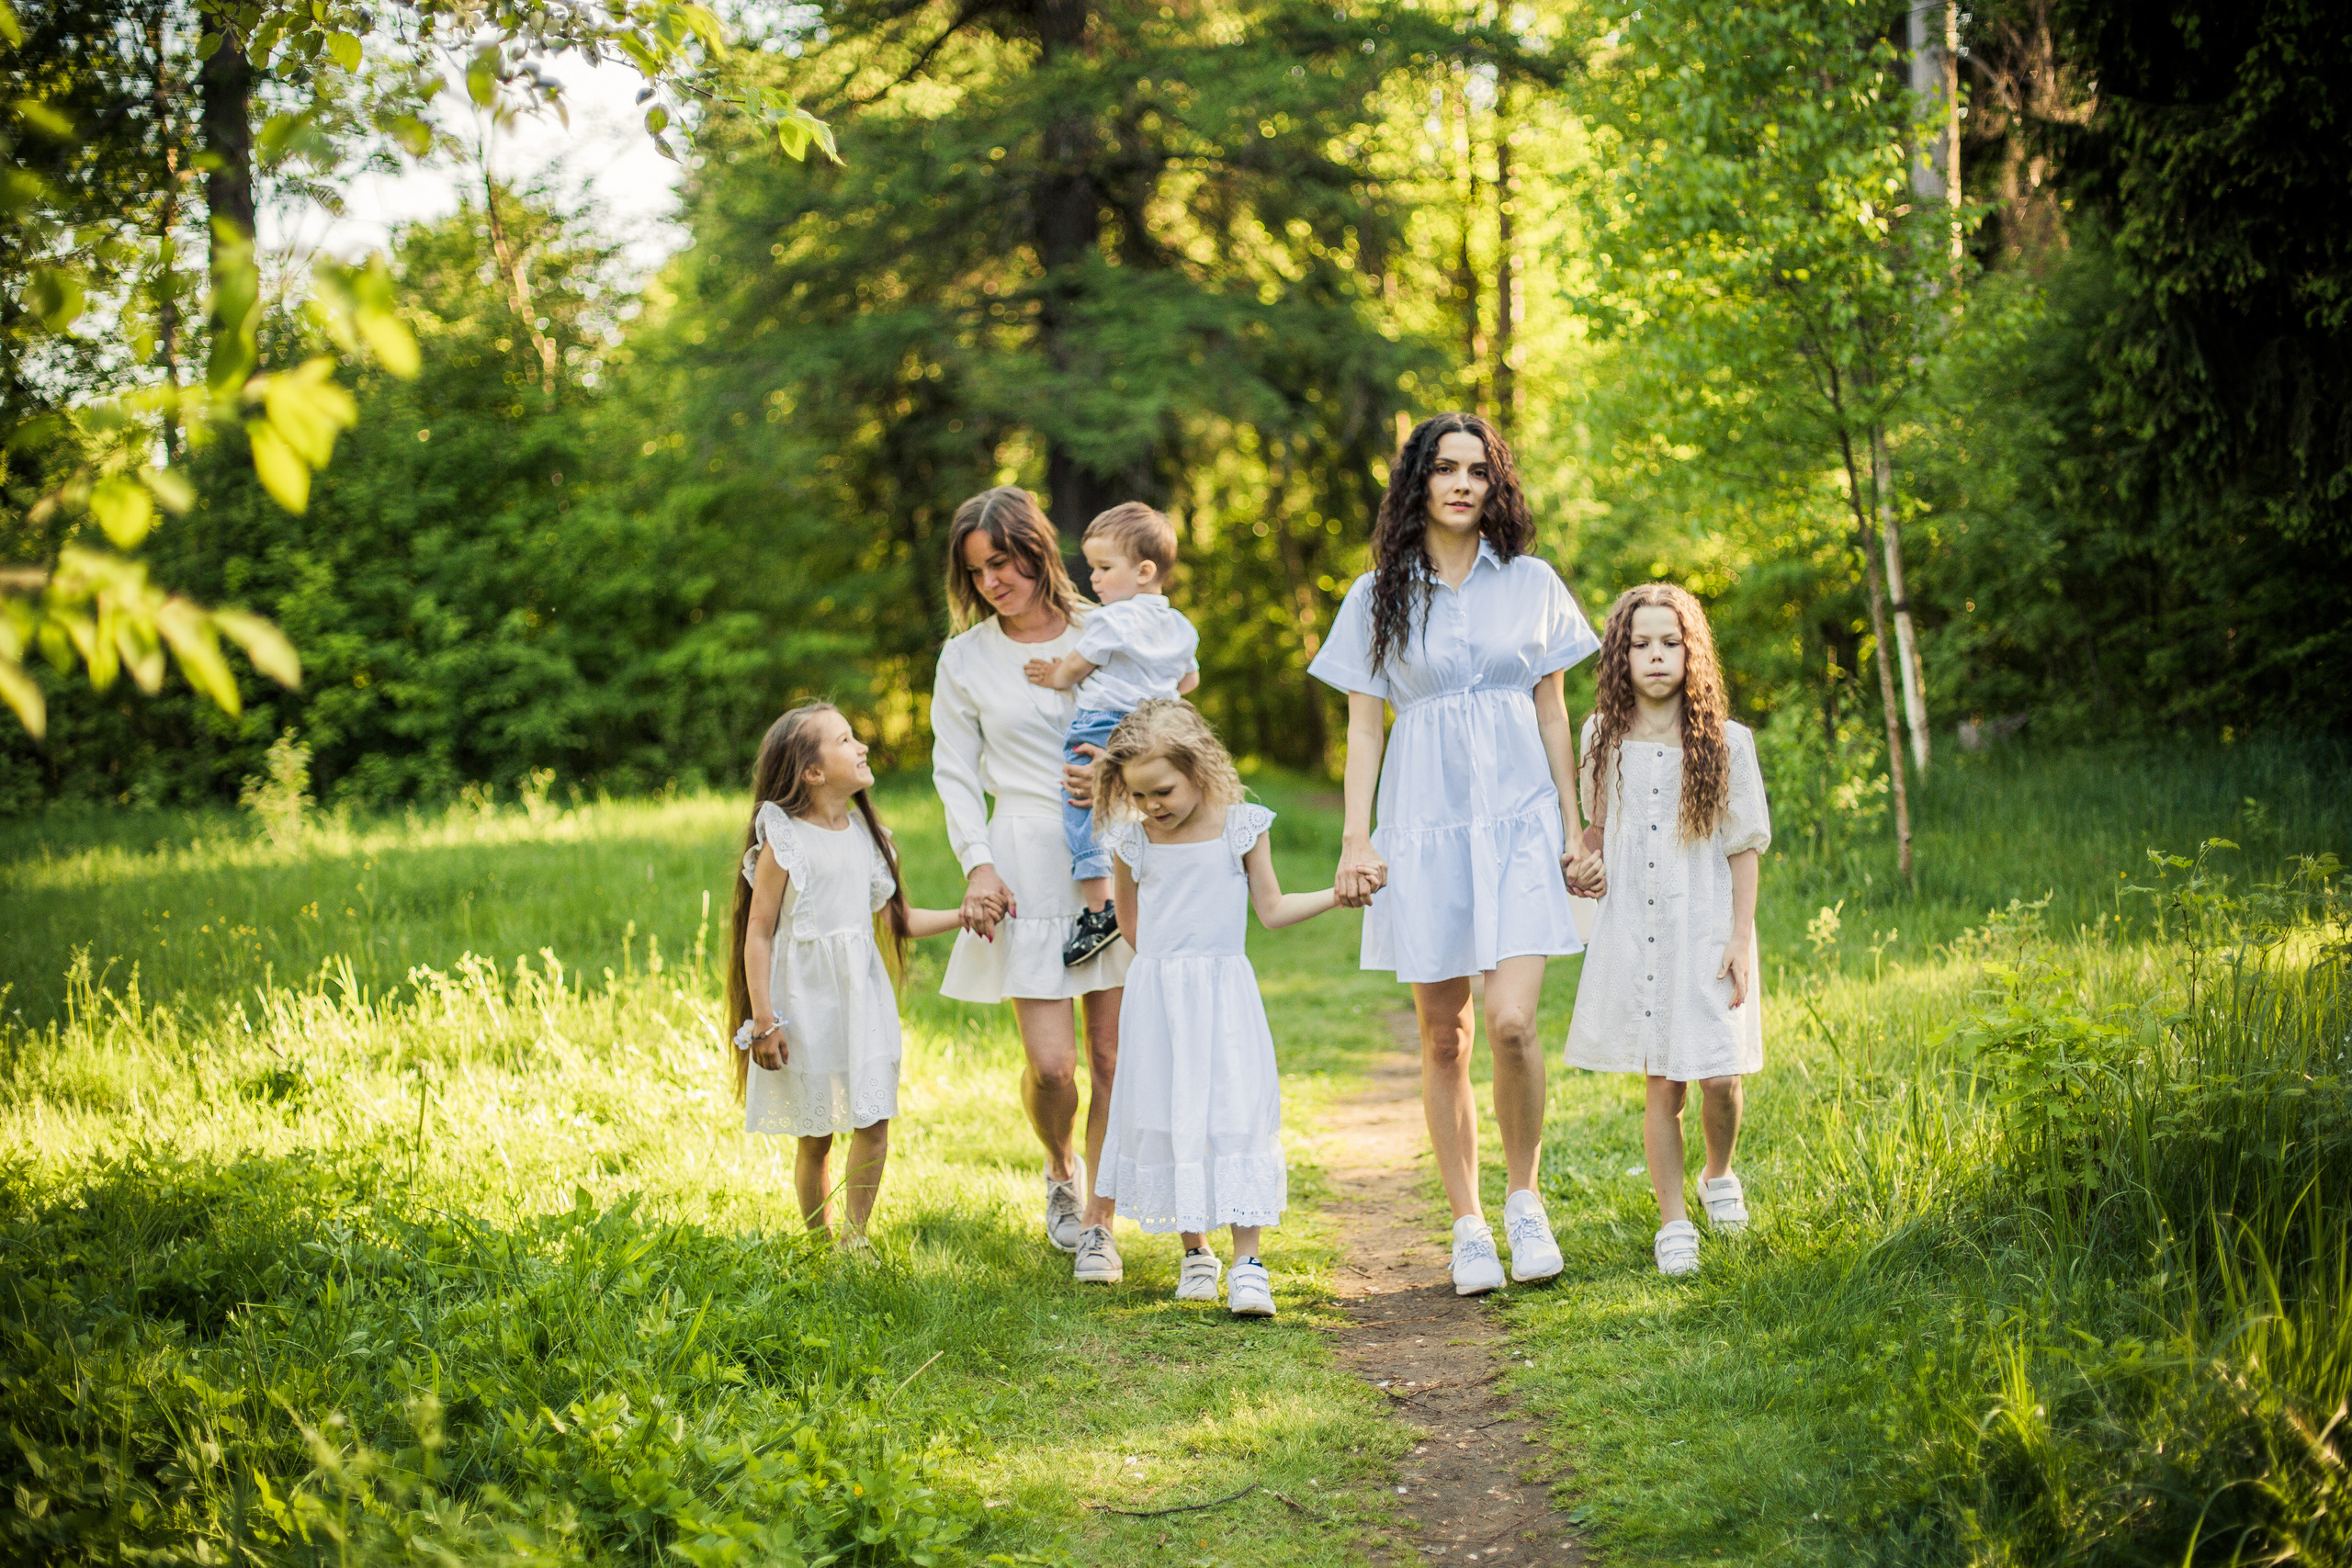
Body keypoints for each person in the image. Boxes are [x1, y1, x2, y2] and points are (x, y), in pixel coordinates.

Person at [1309, 412, 1604, 1296]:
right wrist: (1357, 836)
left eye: (1479, 470)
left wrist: (1574, 824)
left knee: (1512, 1022)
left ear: (1496, 483)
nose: (1463, 484)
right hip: (1424, 824)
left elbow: (1554, 711)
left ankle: (1524, 1198)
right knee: (1446, 1035)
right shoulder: (1376, 594)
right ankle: (1469, 1222)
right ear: (1419, 483)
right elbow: (1366, 725)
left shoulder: (1533, 582)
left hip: (1519, 822)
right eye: (1446, 469)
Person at [1076, 699, 1339, 1315]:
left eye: (1161, 790)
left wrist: (1339, 895)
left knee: (1232, 1109)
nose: (1151, 806)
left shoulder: (1241, 825)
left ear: (1199, 769)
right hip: (1159, 998)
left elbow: (1270, 910)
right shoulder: (1132, 840)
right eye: (1138, 795)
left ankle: (1248, 1260)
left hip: (1224, 996)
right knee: (1172, 1108)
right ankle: (1195, 1250)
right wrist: (1169, 977)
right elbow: (1133, 926)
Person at [932, 486, 1134, 1269]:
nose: (993, 581)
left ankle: (1100, 1225)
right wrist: (977, 861)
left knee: (1112, 1056)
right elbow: (952, 772)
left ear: (1036, 550)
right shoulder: (966, 658)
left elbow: (1165, 716)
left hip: (1110, 849)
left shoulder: (1104, 630)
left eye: (1003, 561)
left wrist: (1119, 776)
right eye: (977, 571)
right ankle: (1060, 1165)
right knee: (1054, 1067)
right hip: (1019, 852)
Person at [1563, 583, 1771, 1278]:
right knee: (1663, 1081)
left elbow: (1744, 847)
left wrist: (1740, 937)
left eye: (1670, 642)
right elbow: (1595, 835)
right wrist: (1584, 869)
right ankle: (1673, 1217)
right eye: (1641, 643)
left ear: (1692, 652)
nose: (1656, 656)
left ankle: (1719, 1174)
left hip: (1707, 926)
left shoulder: (1727, 743)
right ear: (1620, 656)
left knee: (1719, 1073)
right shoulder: (1600, 737)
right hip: (1640, 930)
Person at [725, 703, 963, 1247]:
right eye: (846, 740)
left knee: (873, 1123)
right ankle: (819, 1242)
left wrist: (964, 914)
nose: (862, 747)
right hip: (804, 1003)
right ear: (812, 772)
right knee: (815, 1137)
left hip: (862, 998)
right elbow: (758, 930)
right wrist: (763, 1018)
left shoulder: (867, 835)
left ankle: (855, 1240)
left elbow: (897, 919)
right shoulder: (784, 838)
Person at [1023, 502, 1202, 967]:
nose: (1094, 580)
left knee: (1081, 807)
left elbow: (1075, 669)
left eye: (1104, 568)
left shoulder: (1111, 620)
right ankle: (1148, 898)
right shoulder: (1181, 627)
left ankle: (1101, 910)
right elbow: (1189, 684)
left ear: (1144, 571)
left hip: (1101, 723)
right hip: (1155, 730)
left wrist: (1054, 675)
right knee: (1142, 810)